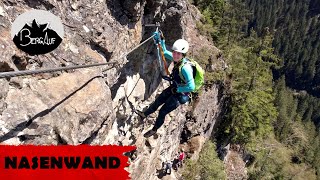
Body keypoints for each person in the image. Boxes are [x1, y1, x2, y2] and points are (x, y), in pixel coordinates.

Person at [137, 31, 195, 138]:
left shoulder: (186, 68)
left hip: (181, 95)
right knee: (158, 101)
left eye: (178, 53)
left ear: (183, 54)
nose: (175, 55)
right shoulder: (176, 59)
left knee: (163, 111)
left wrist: (178, 89)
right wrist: (161, 40)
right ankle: (144, 114)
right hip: (174, 88)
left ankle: (154, 129)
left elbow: (191, 87)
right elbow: (163, 52)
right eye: (174, 52)